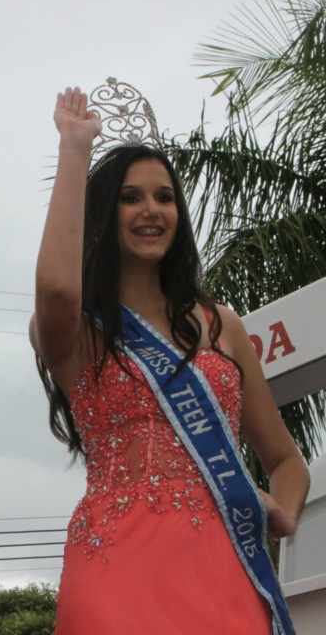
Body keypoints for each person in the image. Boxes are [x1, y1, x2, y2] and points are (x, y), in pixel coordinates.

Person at [30, 81, 310, 634]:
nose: (151, 209)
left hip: (225, 565)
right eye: (131, 197)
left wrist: (283, 511)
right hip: (117, 566)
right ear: (104, 212)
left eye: (164, 196)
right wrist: (75, 149)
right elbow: (58, 288)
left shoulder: (219, 324)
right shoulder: (78, 332)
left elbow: (287, 462)